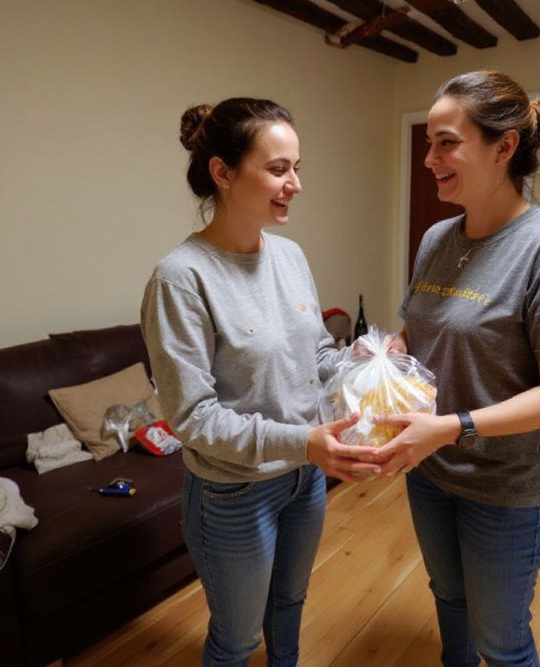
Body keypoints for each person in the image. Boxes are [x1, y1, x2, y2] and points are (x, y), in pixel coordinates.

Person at [140, 97, 382, 667]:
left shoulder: (291, 255)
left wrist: (368, 363)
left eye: (298, 168)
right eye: (278, 169)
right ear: (223, 173)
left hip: (305, 480)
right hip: (233, 493)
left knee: (291, 604)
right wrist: (305, 441)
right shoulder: (181, 278)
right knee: (238, 638)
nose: (295, 184)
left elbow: (316, 355)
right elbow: (193, 417)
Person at [374, 71, 540, 666]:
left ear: (504, 148)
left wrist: (452, 427)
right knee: (449, 599)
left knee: (502, 641)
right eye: (429, 143)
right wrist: (389, 351)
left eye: (447, 143)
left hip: (503, 488)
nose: (429, 159)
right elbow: (419, 330)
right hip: (429, 471)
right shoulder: (437, 238)